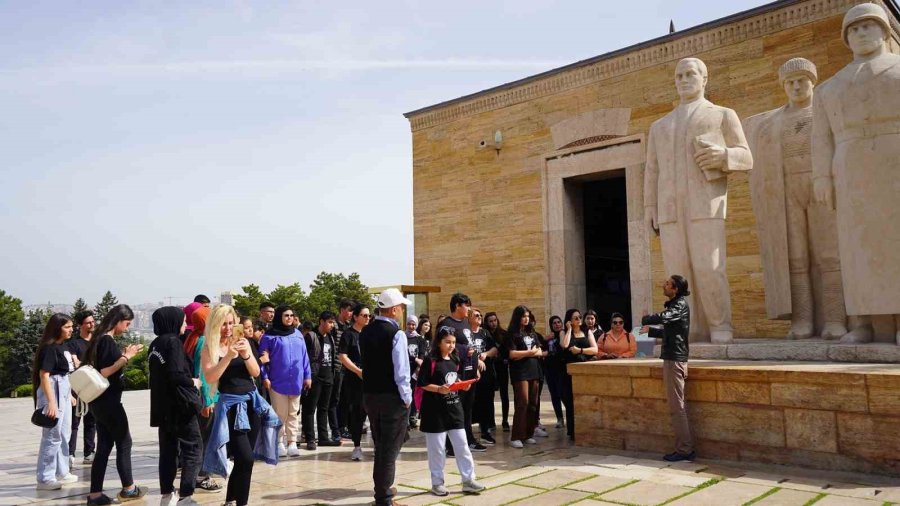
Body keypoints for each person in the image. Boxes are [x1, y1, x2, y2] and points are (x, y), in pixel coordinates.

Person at [644, 57, 753, 344]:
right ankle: (686, 326)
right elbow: (652, 170)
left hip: (706, 202)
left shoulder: (721, 115)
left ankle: (720, 324)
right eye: (678, 75)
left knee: (709, 267)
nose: (683, 79)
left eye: (690, 74)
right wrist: (650, 207)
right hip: (669, 208)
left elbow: (746, 156)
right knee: (677, 273)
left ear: (704, 79)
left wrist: (724, 156)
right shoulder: (660, 126)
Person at [201, 304, 281, 506]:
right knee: (245, 458)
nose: (228, 328)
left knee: (245, 459)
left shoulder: (243, 341)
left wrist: (245, 354)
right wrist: (228, 356)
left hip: (251, 403)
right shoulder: (209, 346)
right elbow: (210, 377)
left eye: (230, 323)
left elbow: (255, 372)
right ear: (215, 325)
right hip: (230, 406)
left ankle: (231, 501)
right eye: (223, 324)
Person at [84, 304, 147, 505]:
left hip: (98, 402)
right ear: (118, 320)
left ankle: (95, 494)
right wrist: (126, 357)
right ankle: (129, 488)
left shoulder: (97, 340)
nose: (127, 328)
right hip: (109, 402)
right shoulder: (107, 340)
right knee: (124, 442)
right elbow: (105, 372)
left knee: (104, 446)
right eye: (127, 324)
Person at [360, 288, 413, 506]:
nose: (401, 311)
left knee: (382, 443)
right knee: (388, 448)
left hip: (371, 396)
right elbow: (401, 370)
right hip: (392, 397)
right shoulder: (396, 334)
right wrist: (407, 397)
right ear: (393, 310)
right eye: (400, 307)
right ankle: (384, 497)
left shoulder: (365, 331)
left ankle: (383, 487)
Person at [419, 327, 486, 497]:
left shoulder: (455, 359)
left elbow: (453, 378)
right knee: (437, 450)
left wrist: (463, 384)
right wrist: (439, 389)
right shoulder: (431, 360)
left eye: (453, 342)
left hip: (454, 409)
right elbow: (423, 383)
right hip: (435, 412)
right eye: (447, 342)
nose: (451, 345)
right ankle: (437, 483)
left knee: (462, 446)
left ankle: (469, 480)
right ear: (439, 342)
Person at [148, 307, 201, 506]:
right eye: (182, 321)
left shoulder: (155, 344)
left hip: (163, 407)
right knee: (192, 449)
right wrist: (193, 382)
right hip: (180, 407)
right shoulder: (173, 343)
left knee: (168, 452)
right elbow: (176, 375)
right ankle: (186, 497)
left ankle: (167, 495)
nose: (185, 324)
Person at [641, 275, 694, 462]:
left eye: (667, 283)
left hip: (675, 359)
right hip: (672, 358)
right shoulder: (675, 305)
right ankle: (683, 447)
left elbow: (665, 318)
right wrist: (651, 331)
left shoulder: (679, 305)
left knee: (677, 406)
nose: (663, 285)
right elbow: (670, 331)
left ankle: (685, 449)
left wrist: (647, 319)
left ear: (676, 289)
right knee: (675, 405)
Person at [436, 293, 486, 454]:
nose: (469, 309)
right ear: (457, 305)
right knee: (454, 408)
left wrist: (476, 367)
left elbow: (470, 345)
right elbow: (443, 348)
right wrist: (465, 351)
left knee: (467, 408)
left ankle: (468, 439)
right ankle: (451, 445)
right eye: (466, 305)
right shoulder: (446, 324)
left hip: (470, 373)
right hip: (455, 374)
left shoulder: (465, 323)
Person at [259, 305, 312, 458]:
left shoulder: (297, 334)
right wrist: (265, 377)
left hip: (296, 380)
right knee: (279, 413)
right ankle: (279, 442)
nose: (289, 318)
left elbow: (304, 357)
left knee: (293, 412)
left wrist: (307, 376)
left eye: (291, 315)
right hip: (277, 381)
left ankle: (292, 442)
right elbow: (263, 360)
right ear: (279, 317)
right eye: (285, 315)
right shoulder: (269, 336)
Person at [33, 313, 78, 490]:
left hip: (63, 389)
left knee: (64, 433)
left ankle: (62, 471)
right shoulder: (49, 348)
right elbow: (44, 375)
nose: (71, 330)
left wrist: (69, 395)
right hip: (53, 389)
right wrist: (51, 402)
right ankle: (45, 477)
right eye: (67, 327)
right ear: (57, 328)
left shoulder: (63, 346)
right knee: (52, 436)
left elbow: (64, 373)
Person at [185, 307, 222, 493]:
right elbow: (203, 374)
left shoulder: (194, 338)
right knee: (206, 440)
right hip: (206, 397)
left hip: (202, 396)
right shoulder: (203, 342)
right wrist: (207, 400)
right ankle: (203, 476)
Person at [502, 305, 542, 449]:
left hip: (534, 370)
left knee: (533, 403)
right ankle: (516, 436)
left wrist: (526, 353)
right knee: (522, 402)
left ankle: (528, 434)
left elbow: (540, 351)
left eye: (528, 316)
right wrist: (529, 353)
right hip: (520, 373)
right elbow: (512, 354)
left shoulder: (532, 333)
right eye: (523, 316)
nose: (526, 319)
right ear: (517, 317)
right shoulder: (512, 334)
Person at [302, 311, 341, 449]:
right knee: (310, 409)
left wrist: (333, 375)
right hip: (314, 377)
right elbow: (304, 358)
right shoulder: (310, 336)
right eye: (329, 322)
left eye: (333, 322)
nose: (332, 325)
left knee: (324, 408)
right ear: (321, 321)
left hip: (328, 377)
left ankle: (324, 437)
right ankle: (310, 438)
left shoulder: (330, 337)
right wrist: (307, 376)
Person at [560, 309, 598, 441]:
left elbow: (595, 349)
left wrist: (580, 350)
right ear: (569, 320)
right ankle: (573, 431)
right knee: (571, 402)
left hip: (584, 370)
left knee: (585, 400)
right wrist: (569, 329)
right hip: (569, 372)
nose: (579, 319)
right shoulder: (564, 332)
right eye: (575, 318)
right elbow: (564, 345)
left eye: (579, 317)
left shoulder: (587, 331)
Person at [338, 302, 370, 461]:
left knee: (374, 411)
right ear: (356, 317)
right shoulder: (348, 334)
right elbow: (343, 356)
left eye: (369, 315)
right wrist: (358, 371)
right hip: (354, 379)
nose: (367, 318)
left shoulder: (370, 334)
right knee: (357, 413)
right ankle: (357, 446)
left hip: (372, 379)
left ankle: (378, 444)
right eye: (364, 315)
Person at [67, 310, 97, 465]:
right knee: (74, 422)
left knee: (92, 421)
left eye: (93, 321)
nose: (92, 324)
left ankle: (89, 452)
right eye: (88, 322)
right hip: (78, 388)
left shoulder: (97, 342)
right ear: (80, 325)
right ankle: (70, 453)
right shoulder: (73, 344)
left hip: (93, 388)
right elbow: (74, 364)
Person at [470, 308, 498, 444]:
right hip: (471, 375)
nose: (479, 317)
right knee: (471, 403)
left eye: (480, 316)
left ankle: (485, 431)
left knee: (486, 402)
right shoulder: (466, 333)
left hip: (486, 375)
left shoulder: (485, 333)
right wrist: (476, 360)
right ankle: (468, 434)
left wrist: (486, 354)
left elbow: (494, 349)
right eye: (476, 315)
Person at [484, 312, 510, 432]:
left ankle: (505, 420)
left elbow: (507, 350)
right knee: (489, 395)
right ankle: (490, 421)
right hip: (489, 367)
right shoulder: (485, 334)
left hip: (501, 367)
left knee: (504, 395)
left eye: (495, 320)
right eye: (490, 321)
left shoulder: (504, 334)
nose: (493, 323)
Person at [332, 299, 354, 441]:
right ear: (342, 310)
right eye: (349, 310)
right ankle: (337, 428)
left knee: (346, 399)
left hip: (348, 368)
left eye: (352, 311)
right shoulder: (333, 325)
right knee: (336, 399)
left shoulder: (349, 326)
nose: (350, 314)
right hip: (336, 367)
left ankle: (345, 426)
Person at [543, 315, 566, 429]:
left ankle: (570, 417)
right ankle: (559, 418)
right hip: (550, 369)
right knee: (554, 395)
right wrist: (545, 339)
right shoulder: (549, 338)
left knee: (563, 393)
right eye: (554, 323)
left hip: (561, 369)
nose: (557, 325)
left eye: (559, 322)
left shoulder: (564, 335)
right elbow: (541, 348)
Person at [405, 315, 427, 428]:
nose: (411, 326)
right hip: (405, 369)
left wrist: (419, 367)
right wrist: (414, 359)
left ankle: (412, 416)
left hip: (416, 370)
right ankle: (405, 419)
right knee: (405, 393)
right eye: (409, 324)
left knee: (414, 392)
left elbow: (422, 354)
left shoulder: (420, 339)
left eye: (413, 324)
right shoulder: (403, 337)